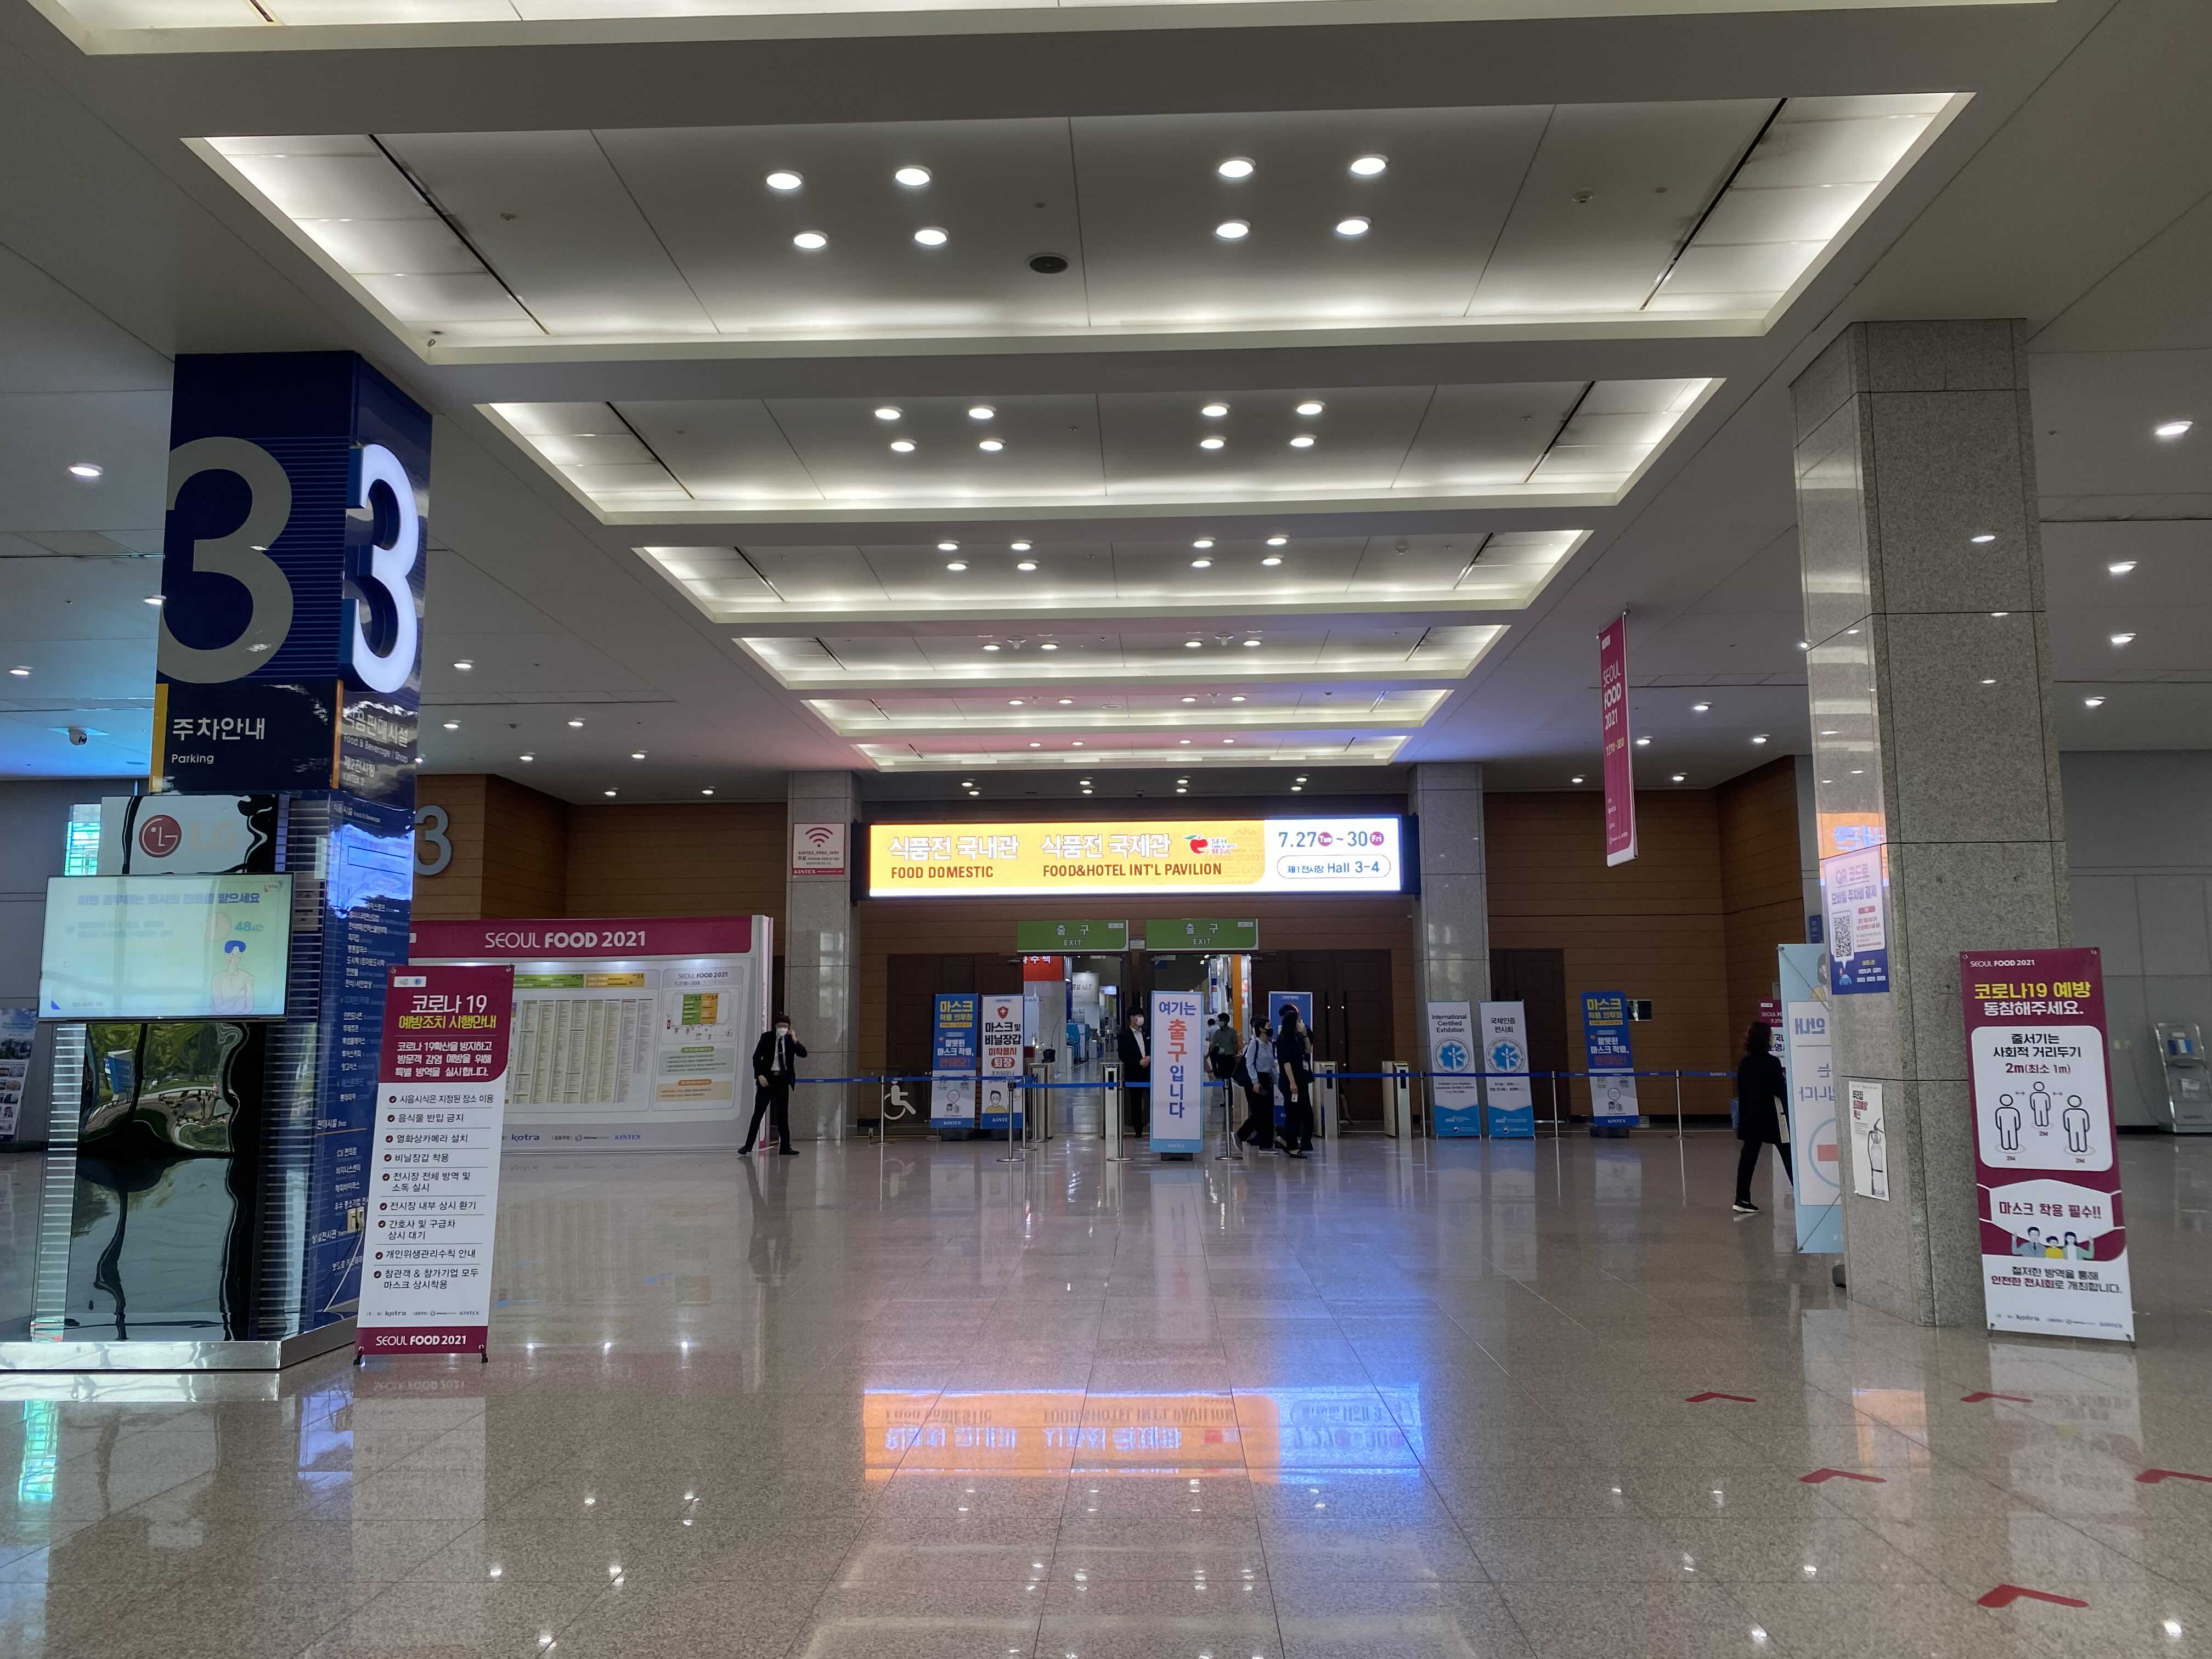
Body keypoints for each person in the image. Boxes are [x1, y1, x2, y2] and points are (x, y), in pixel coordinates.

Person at [1732, 1022, 1792, 1214]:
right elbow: (1780, 1091)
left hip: (1750, 1117)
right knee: (1788, 1154)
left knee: (1748, 1158)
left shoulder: (1745, 1063)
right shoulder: (1772, 1063)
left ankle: (1742, 1199)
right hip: (1772, 1117)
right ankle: (1801, 1195)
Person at [743, 1012, 807, 1155]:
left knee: (783, 1116)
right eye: (779, 1026)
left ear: (789, 1028)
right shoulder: (767, 1037)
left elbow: (804, 1054)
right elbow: (756, 1057)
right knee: (758, 1113)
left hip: (783, 1080)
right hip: (767, 1080)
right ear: (775, 1026)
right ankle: (748, 1146)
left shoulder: (790, 1040)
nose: (782, 1029)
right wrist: (759, 1075)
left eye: (785, 1027)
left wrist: (795, 1039)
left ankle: (785, 1147)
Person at [1276, 1003, 1315, 1157]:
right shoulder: (1283, 1039)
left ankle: (1287, 1139)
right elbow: (1286, 1062)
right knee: (1292, 1114)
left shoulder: (1298, 1037)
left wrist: (1304, 1034)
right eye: (1298, 1021)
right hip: (1291, 1082)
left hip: (1302, 1080)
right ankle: (1291, 1145)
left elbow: (1308, 1050)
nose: (1300, 1023)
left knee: (1305, 1112)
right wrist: (1292, 1082)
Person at [1237, 1019, 1278, 1150]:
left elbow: (1272, 1066)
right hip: (1255, 1080)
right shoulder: (1254, 1043)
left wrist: (1277, 1082)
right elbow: (1249, 1064)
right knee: (1259, 1113)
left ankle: (1267, 1145)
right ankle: (1241, 1135)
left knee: (1268, 1114)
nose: (1271, 1028)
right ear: (1261, 1029)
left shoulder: (1270, 1045)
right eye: (1268, 1026)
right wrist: (1255, 1081)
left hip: (1267, 1080)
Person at [1118, 1009, 1150, 1135]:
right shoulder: (1124, 1036)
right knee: (1136, 1102)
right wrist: (1138, 1062)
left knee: (1153, 1100)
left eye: (1142, 1016)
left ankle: (1154, 1127)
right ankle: (1138, 1130)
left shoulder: (1148, 1033)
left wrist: (1150, 1058)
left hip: (1149, 1073)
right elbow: (1123, 1055)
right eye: (1139, 1016)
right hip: (1134, 1074)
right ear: (1132, 1018)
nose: (1141, 1018)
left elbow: (1154, 1047)